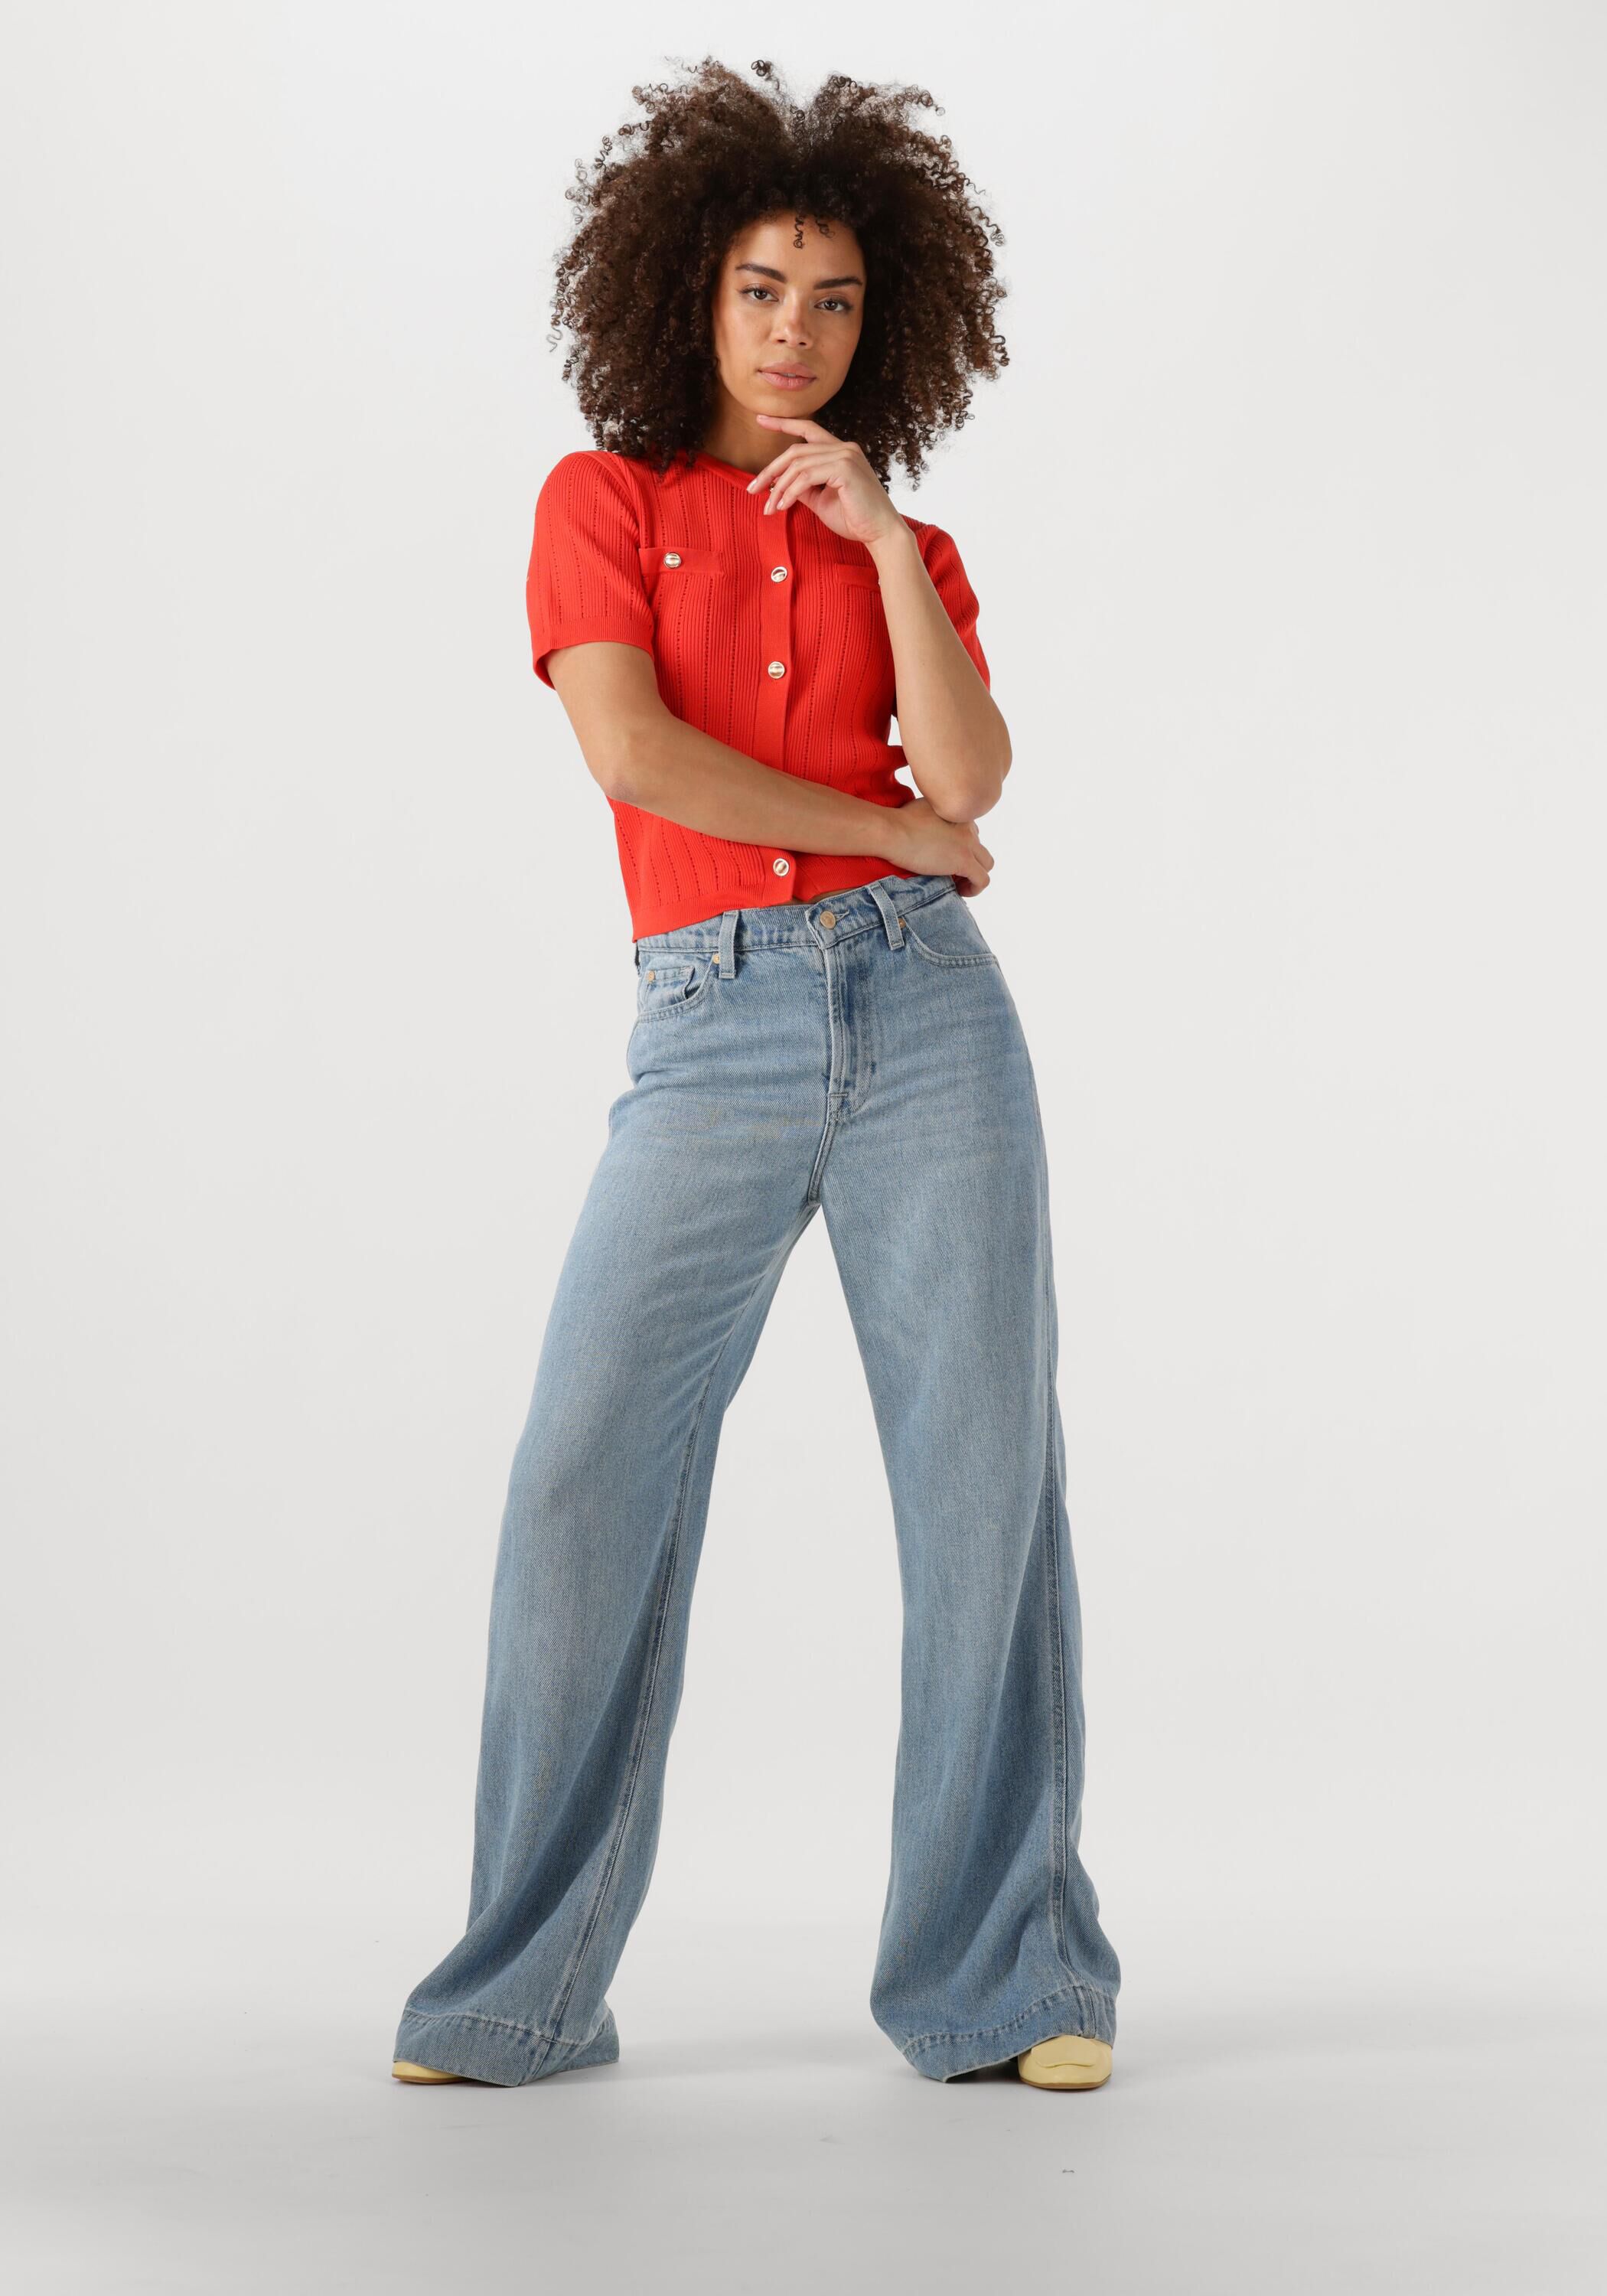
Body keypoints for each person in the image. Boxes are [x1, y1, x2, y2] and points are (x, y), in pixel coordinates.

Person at [391, 57, 1120, 2093]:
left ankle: (1011, 1984)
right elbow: (637, 757)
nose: (797, 331)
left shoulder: (911, 544)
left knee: (983, 1489)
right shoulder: (604, 504)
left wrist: (881, 543)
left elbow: (974, 774)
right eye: (761, 289)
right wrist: (885, 829)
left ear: (887, 323)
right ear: (687, 294)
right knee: (583, 1471)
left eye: (836, 301)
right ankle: (517, 1993)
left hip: (930, 1020)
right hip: (711, 1021)